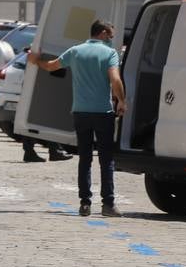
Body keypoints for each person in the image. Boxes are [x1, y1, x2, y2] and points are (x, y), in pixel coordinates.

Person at [28, 19, 127, 217]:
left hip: (80, 112)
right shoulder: (109, 53)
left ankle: (85, 203)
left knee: (85, 158)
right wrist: (121, 101)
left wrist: (35, 60)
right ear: (103, 33)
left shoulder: (75, 51)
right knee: (106, 160)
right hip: (102, 112)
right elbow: (115, 79)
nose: (112, 39)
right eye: (111, 36)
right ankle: (108, 204)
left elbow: (51, 67)